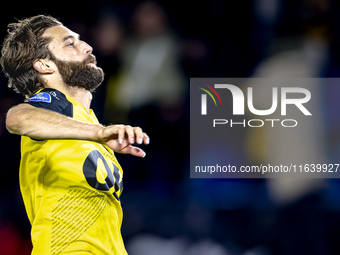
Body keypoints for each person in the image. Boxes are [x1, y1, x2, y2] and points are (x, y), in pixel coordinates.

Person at [1, 15, 150, 254]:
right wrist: (98, 132)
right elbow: (17, 118)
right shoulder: (54, 101)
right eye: (70, 43)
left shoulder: (84, 120)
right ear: (44, 65)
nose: (87, 47)